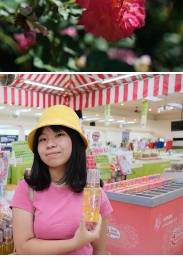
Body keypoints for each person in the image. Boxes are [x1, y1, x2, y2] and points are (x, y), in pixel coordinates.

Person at [11, 105, 112, 255]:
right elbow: (23, 248)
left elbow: (99, 251)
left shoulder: (93, 193)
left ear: (75, 141)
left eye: (58, 135)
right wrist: (75, 243)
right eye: (43, 139)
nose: (50, 144)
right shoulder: (27, 188)